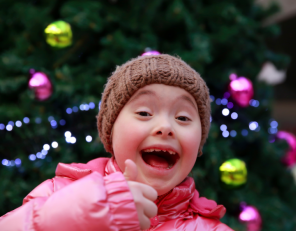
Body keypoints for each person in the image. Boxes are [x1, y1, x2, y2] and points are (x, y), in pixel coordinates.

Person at [0, 54, 233, 231]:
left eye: (183, 117)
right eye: (144, 112)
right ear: (111, 131)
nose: (166, 127)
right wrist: (74, 213)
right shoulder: (58, 194)